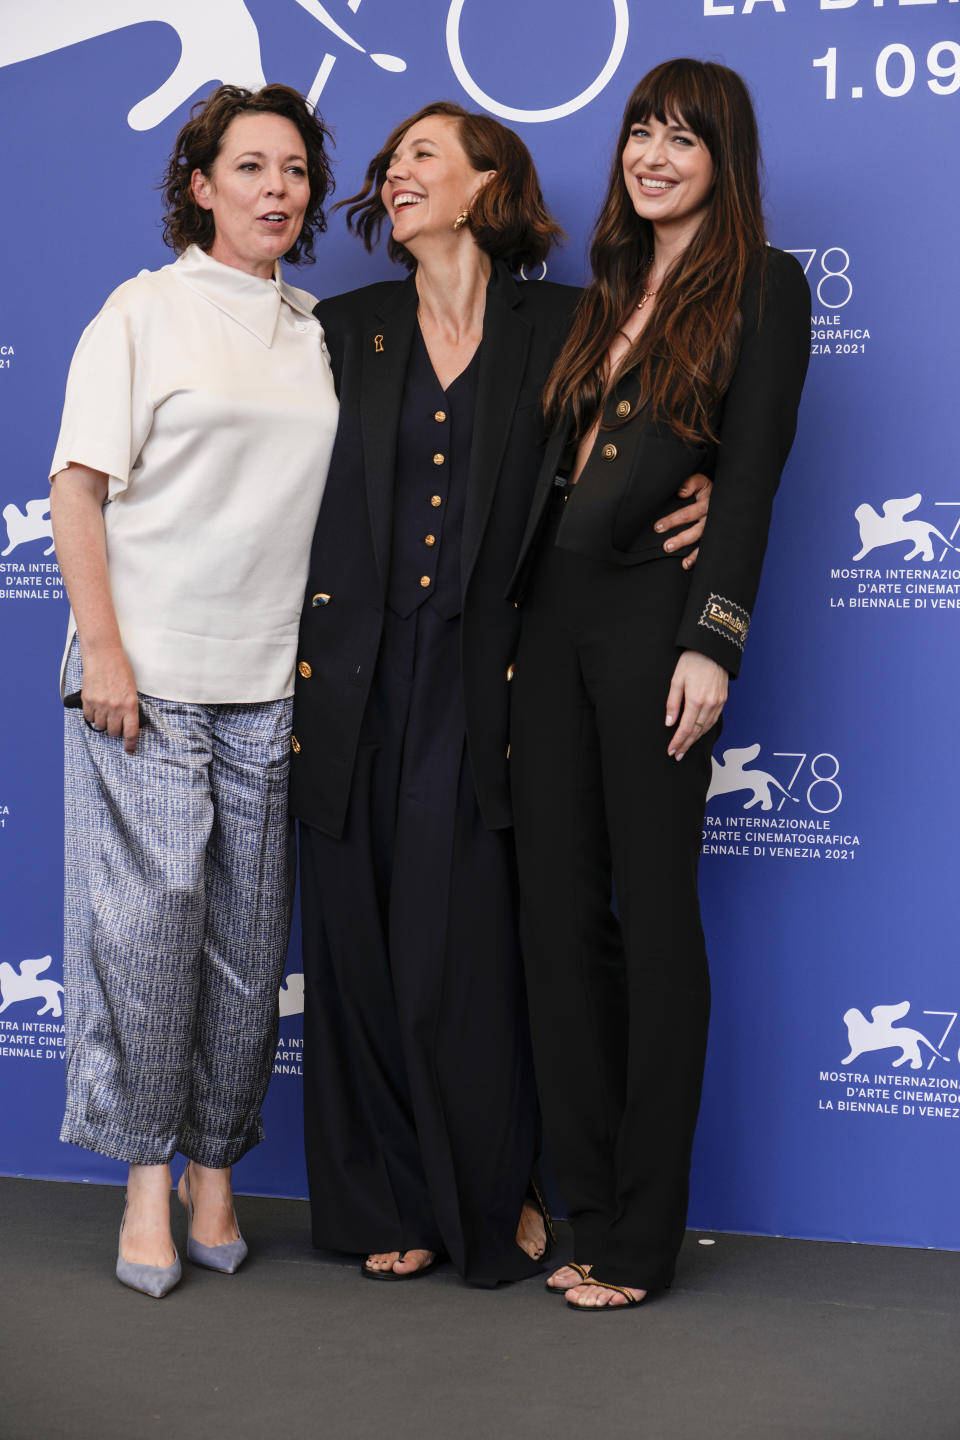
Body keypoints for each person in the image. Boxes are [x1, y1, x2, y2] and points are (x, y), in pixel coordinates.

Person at [288, 101, 711, 1286]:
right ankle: (391, 1198)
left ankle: (497, 1187)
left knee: (469, 945)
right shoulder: (342, 326)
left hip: (495, 681)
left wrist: (710, 491)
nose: (397, 173)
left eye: (423, 155)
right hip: (354, 674)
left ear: (488, 183)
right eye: (392, 163)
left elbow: (653, 438)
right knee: (361, 940)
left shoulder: (568, 324)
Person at [508, 59, 811, 1311]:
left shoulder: (766, 286)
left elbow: (750, 482)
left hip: (654, 627)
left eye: (684, 138)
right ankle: (583, 1212)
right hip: (551, 624)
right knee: (558, 924)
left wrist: (714, 637)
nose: (655, 154)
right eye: (642, 130)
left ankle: (642, 1239)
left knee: (656, 920)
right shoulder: (605, 288)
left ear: (723, 160)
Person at [49, 84, 338, 1297]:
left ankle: (218, 1169)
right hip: (149, 672)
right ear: (202, 186)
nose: (277, 187)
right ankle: (143, 1187)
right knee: (151, 937)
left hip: (272, 680)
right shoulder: (144, 312)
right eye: (251, 166)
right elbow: (76, 487)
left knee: (246, 942)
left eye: (296, 170)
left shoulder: (318, 329)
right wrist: (102, 648)